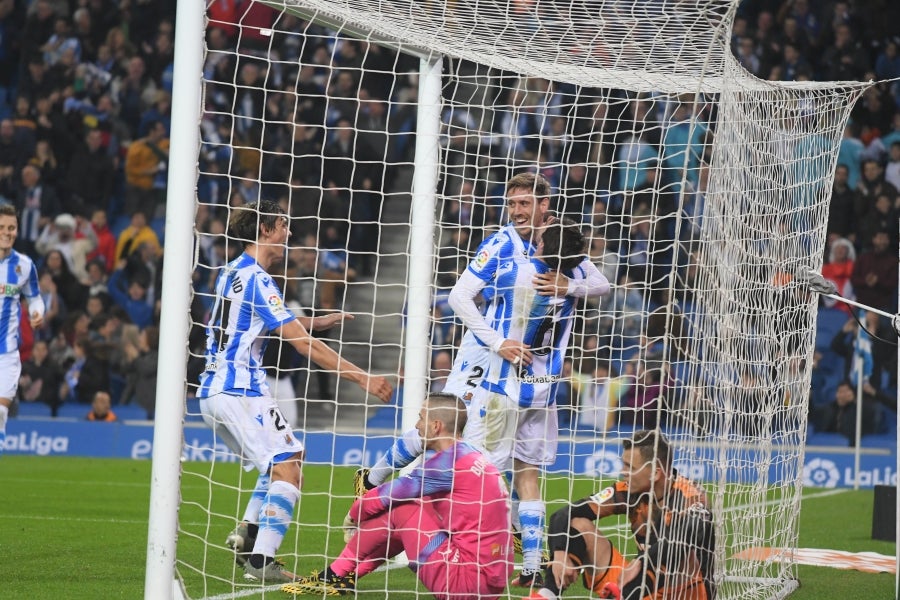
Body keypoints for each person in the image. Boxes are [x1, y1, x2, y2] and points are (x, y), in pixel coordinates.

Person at [357, 174, 610, 587]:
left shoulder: (533, 267)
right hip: (529, 378)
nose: (517, 211)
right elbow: (600, 285)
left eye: (525, 203)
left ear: (545, 204)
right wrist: (572, 288)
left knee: (470, 462)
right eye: (512, 204)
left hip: (506, 378)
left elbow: (592, 283)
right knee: (454, 431)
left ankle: (445, 535)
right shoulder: (525, 248)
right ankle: (528, 561)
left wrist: (506, 337)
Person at [197, 199, 392, 583]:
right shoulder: (258, 278)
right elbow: (302, 345)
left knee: (289, 455)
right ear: (266, 229)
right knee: (289, 470)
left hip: (213, 390)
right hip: (240, 389)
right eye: (284, 225)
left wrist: (314, 321)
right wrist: (363, 378)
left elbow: (260, 321)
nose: (289, 232)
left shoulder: (231, 272)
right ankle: (260, 560)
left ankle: (248, 532)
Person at [291, 393, 513, 599]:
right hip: (489, 583)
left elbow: (385, 495)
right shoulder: (472, 457)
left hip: (464, 582)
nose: (417, 426)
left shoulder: (447, 465)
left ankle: (333, 575)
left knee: (403, 508)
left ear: (436, 426)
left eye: (421, 418)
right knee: (417, 509)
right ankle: (346, 575)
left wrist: (353, 515)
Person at [526, 429, 715, 600]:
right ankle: (549, 594)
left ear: (655, 473)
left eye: (630, 467)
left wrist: (642, 560)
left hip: (685, 592)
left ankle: (624, 593)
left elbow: (687, 536)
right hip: (640, 583)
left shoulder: (691, 496)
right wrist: (560, 555)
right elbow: (563, 514)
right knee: (578, 524)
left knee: (680, 548)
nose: (623, 472)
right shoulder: (627, 491)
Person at [0, 204, 45, 455]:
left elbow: (35, 297)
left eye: (11, 227)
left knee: (0, 411)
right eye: (2, 228)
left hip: (6, 353)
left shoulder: (24, 265)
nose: (7, 232)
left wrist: (38, 312)